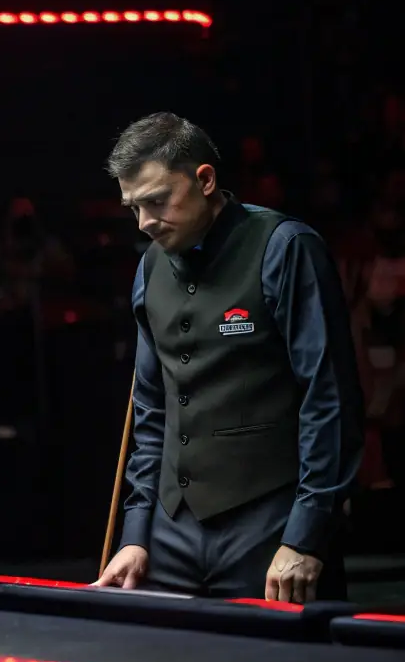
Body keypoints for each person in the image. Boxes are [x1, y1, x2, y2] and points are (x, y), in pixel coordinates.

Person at [95, 113, 364, 603]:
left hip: (271, 527)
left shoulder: (285, 247)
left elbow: (329, 399)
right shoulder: (148, 266)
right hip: (170, 535)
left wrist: (306, 536)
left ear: (205, 179)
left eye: (157, 201)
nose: (145, 222)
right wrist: (135, 535)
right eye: (133, 207)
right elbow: (153, 411)